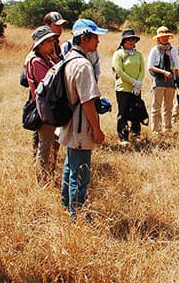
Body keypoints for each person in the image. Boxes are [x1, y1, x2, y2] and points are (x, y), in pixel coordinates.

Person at [59, 19, 107, 220]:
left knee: (70, 166)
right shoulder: (83, 65)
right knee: (80, 172)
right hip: (81, 126)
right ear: (84, 38)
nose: (97, 41)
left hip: (70, 122)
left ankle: (66, 203)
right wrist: (96, 129)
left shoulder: (68, 58)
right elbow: (87, 102)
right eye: (95, 37)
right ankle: (76, 214)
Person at [26, 26, 60, 184]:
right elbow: (48, 85)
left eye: (52, 40)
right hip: (45, 109)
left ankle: (49, 175)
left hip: (50, 108)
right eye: (48, 41)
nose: (52, 44)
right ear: (39, 44)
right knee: (45, 145)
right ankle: (42, 180)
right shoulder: (37, 61)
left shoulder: (47, 58)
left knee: (52, 143)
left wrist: (54, 57)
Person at [111, 29, 145, 146]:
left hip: (136, 88)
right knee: (123, 113)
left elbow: (142, 69)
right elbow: (119, 71)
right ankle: (123, 137)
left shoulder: (138, 54)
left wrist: (139, 82)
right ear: (124, 41)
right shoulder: (118, 54)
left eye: (134, 39)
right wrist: (132, 81)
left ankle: (135, 133)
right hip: (123, 88)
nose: (132, 41)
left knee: (136, 110)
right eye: (130, 39)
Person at [147, 26, 179, 136]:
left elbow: (176, 66)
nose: (165, 38)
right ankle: (156, 130)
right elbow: (150, 67)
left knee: (169, 107)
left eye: (166, 36)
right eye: (162, 36)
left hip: (171, 82)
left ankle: (167, 128)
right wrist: (163, 72)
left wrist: (177, 80)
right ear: (158, 38)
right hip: (159, 81)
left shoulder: (173, 50)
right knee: (156, 107)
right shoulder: (154, 50)